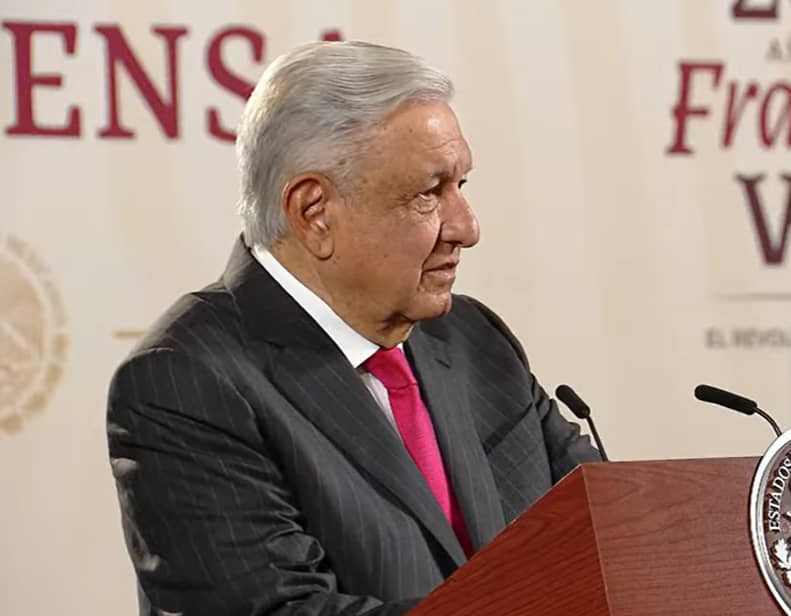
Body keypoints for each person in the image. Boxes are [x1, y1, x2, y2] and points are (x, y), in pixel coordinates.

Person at [107, 41, 600, 616]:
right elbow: (276, 610)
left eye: (460, 187)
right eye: (429, 193)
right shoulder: (185, 381)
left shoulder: (471, 337)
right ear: (314, 212)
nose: (466, 228)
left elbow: (605, 527)